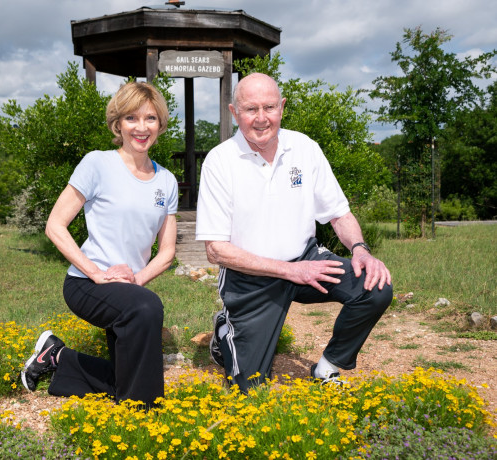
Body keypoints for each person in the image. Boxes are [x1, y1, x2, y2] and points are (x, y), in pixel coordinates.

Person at [196, 73, 393, 393]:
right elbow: (216, 250)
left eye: (269, 107)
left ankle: (328, 367)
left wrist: (360, 249)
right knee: (251, 391)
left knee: (375, 285)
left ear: (282, 108)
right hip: (250, 277)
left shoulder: (304, 148)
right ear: (234, 112)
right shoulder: (220, 162)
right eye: (250, 109)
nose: (261, 118)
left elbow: (339, 214)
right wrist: (291, 271)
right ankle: (225, 331)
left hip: (306, 259)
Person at [20, 81, 178, 408]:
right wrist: (96, 273)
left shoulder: (166, 181)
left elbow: (167, 252)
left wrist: (135, 280)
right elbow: (55, 225)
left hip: (128, 289)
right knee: (147, 308)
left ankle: (56, 357)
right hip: (86, 283)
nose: (141, 127)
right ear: (117, 124)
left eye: (150, 118)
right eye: (132, 118)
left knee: (127, 377)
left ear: (160, 125)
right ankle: (142, 417)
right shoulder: (98, 164)